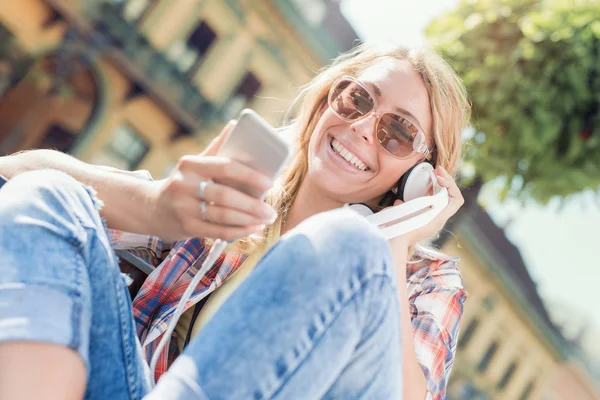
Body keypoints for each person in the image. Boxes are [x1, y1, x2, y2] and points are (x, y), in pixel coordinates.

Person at [0, 43, 470, 400]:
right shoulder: (235, 201)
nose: (365, 127)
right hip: (132, 383)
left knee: (349, 241)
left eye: (399, 133)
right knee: (51, 191)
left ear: (421, 177)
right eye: (358, 99)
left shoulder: (427, 283)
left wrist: (391, 243)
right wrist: (157, 205)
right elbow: (23, 175)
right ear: (331, 99)